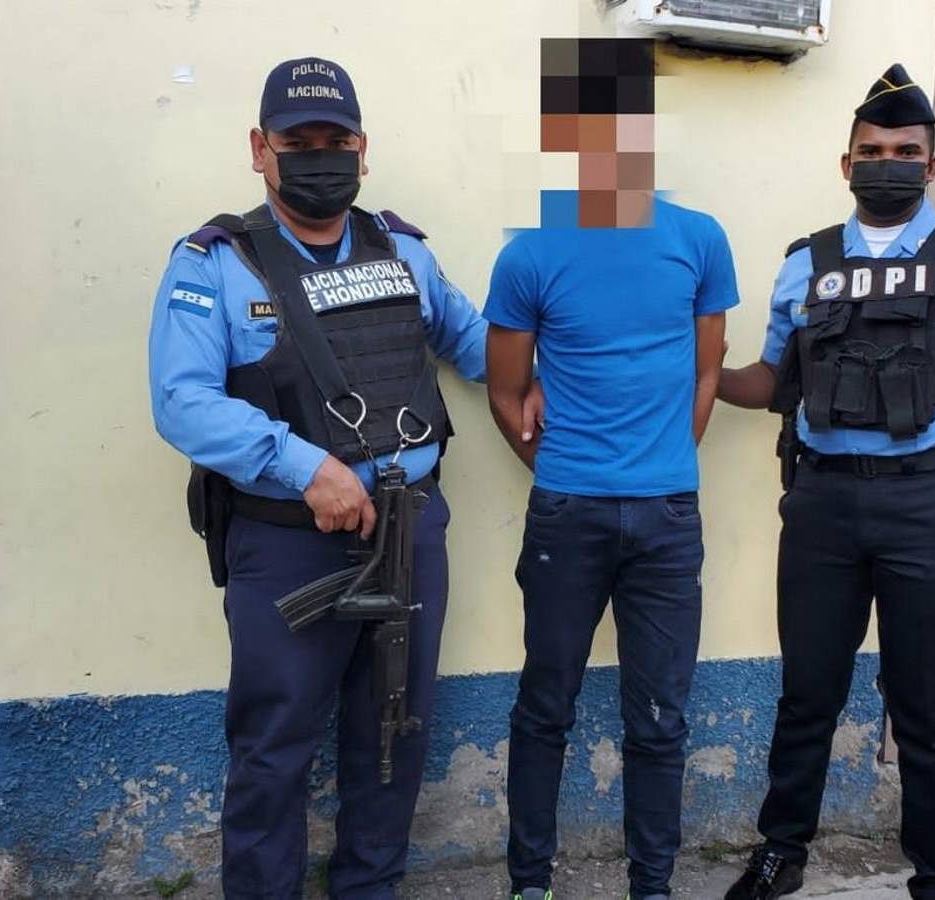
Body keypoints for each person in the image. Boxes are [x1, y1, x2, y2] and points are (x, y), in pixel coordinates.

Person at [148, 56, 536, 899]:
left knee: (394, 731)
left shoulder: (403, 251)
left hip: (411, 530)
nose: (319, 157)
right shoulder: (215, 262)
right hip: (290, 543)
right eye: (298, 143)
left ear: (364, 148)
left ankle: (369, 888)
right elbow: (182, 403)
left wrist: (539, 382)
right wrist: (305, 466)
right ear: (260, 149)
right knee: (273, 746)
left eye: (336, 140)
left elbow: (472, 341)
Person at [719, 64, 935, 900]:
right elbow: (771, 382)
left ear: (932, 165)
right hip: (823, 502)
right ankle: (781, 851)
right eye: (871, 151)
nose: (886, 164)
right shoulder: (807, 263)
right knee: (807, 694)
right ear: (846, 162)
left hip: (930, 504)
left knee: (927, 710)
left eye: (904, 152)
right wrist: (695, 364)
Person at [484, 36, 740, 900]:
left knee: (660, 720)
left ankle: (651, 887)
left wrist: (664, 462)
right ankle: (530, 884)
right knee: (544, 706)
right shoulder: (529, 254)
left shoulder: (699, 240)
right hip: (568, 514)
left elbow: (706, 373)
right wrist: (563, 468)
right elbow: (506, 390)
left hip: (667, 519)